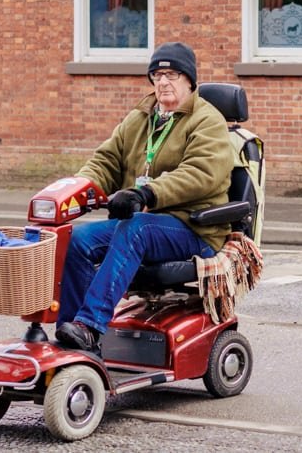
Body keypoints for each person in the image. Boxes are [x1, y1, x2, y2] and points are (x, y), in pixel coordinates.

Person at [54, 41, 234, 354]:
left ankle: (91, 326)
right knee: (76, 239)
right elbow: (107, 159)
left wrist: (145, 193)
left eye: (172, 74)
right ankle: (72, 334)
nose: (163, 82)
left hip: (192, 226)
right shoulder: (141, 117)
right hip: (145, 221)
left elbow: (201, 174)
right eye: (157, 75)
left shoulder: (208, 120)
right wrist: (80, 186)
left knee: (135, 227)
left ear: (190, 80)